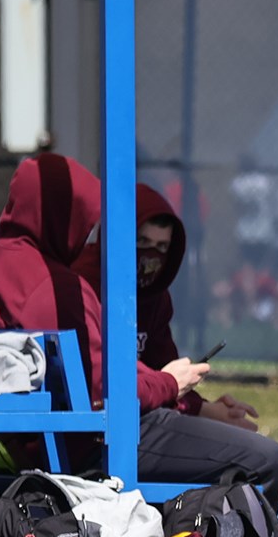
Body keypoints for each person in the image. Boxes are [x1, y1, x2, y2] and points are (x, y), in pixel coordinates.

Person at [0, 155, 278, 507]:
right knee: (268, 460)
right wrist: (169, 384)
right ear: (63, 218)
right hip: (89, 442)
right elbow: (104, 391)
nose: (150, 257)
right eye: (82, 222)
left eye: (162, 248)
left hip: (36, 437)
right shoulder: (57, 287)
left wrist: (193, 403)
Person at [72, 183, 262, 432]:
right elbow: (101, 380)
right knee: (262, 457)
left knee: (254, 450)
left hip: (140, 417)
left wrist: (209, 411)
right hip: (93, 426)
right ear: (117, 237)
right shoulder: (81, 285)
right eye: (142, 241)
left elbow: (161, 369)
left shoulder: (156, 298)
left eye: (162, 247)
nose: (151, 256)